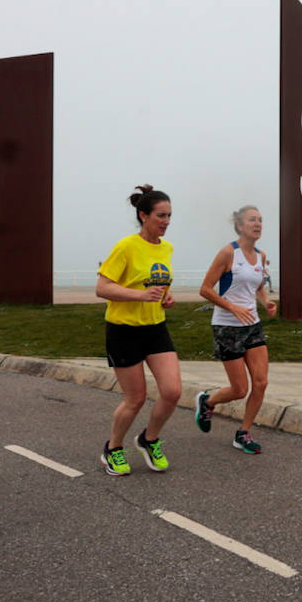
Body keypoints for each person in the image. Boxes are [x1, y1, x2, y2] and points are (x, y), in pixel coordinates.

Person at [95, 185, 181, 476]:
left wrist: (166, 296)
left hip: (155, 328)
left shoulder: (166, 248)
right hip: (124, 331)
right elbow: (102, 287)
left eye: (169, 215)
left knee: (172, 392)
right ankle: (113, 448)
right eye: (161, 215)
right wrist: (138, 296)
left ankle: (149, 439)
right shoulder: (126, 246)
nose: (166, 221)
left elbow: (158, 283)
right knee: (136, 399)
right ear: (144, 215)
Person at [196, 205, 278, 455]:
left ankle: (243, 433)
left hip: (252, 325)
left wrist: (266, 303)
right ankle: (207, 401)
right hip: (227, 327)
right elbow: (206, 289)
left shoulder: (261, 256)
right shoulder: (227, 253)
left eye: (261, 220)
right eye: (253, 220)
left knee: (261, 383)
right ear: (240, 225)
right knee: (240, 389)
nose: (258, 224)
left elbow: (258, 287)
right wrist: (232, 308)